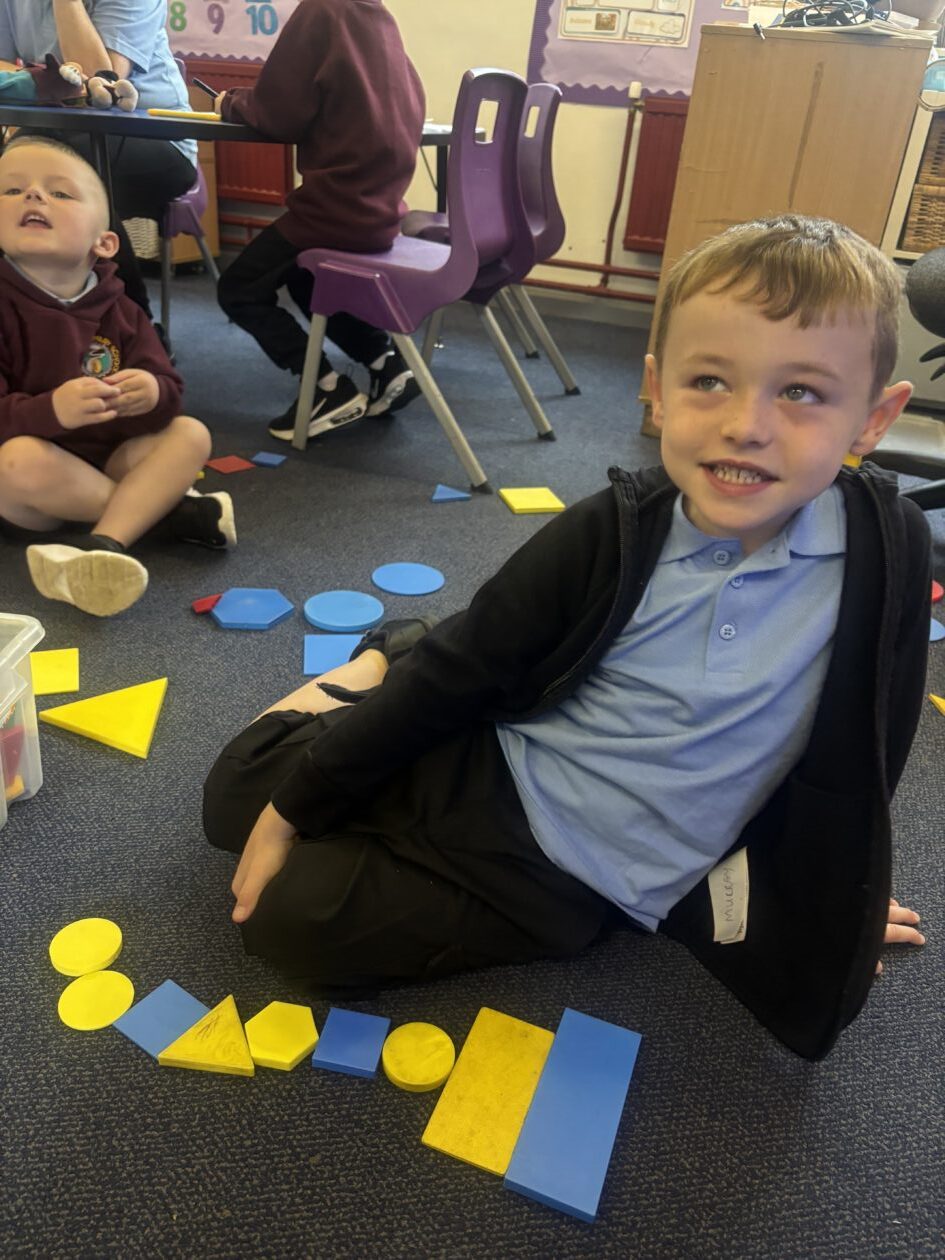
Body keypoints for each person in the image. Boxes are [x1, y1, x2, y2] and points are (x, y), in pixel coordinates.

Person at [203, 215, 930, 1060]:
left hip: (571, 878)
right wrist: (297, 805)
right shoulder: (614, 530)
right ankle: (391, 652)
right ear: (657, 388)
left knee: (291, 923)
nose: (746, 425)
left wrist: (843, 884)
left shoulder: (885, 549)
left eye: (800, 392)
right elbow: (454, 678)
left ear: (872, 418)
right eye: (708, 381)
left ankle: (401, 665)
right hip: (496, 752)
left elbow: (873, 736)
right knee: (238, 798)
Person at [0, 136, 235, 617]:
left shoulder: (122, 309)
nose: (34, 196)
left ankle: (105, 543)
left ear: (105, 243)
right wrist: (51, 410)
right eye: (11, 190)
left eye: (59, 193)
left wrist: (151, 392)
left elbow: (170, 393)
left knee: (190, 433)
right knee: (16, 461)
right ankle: (164, 514)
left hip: (111, 458)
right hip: (37, 490)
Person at [214, 0, 425, 442]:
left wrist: (229, 102)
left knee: (238, 289)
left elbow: (278, 114)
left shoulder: (322, 10)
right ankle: (386, 364)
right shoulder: (380, 19)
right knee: (306, 281)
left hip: (332, 211)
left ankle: (327, 388)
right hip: (380, 213)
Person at [0, 0, 199, 322]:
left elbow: (99, 81)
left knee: (74, 179)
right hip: (56, 134)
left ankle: (133, 325)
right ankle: (29, 326)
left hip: (156, 139)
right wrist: (38, 81)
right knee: (23, 175)